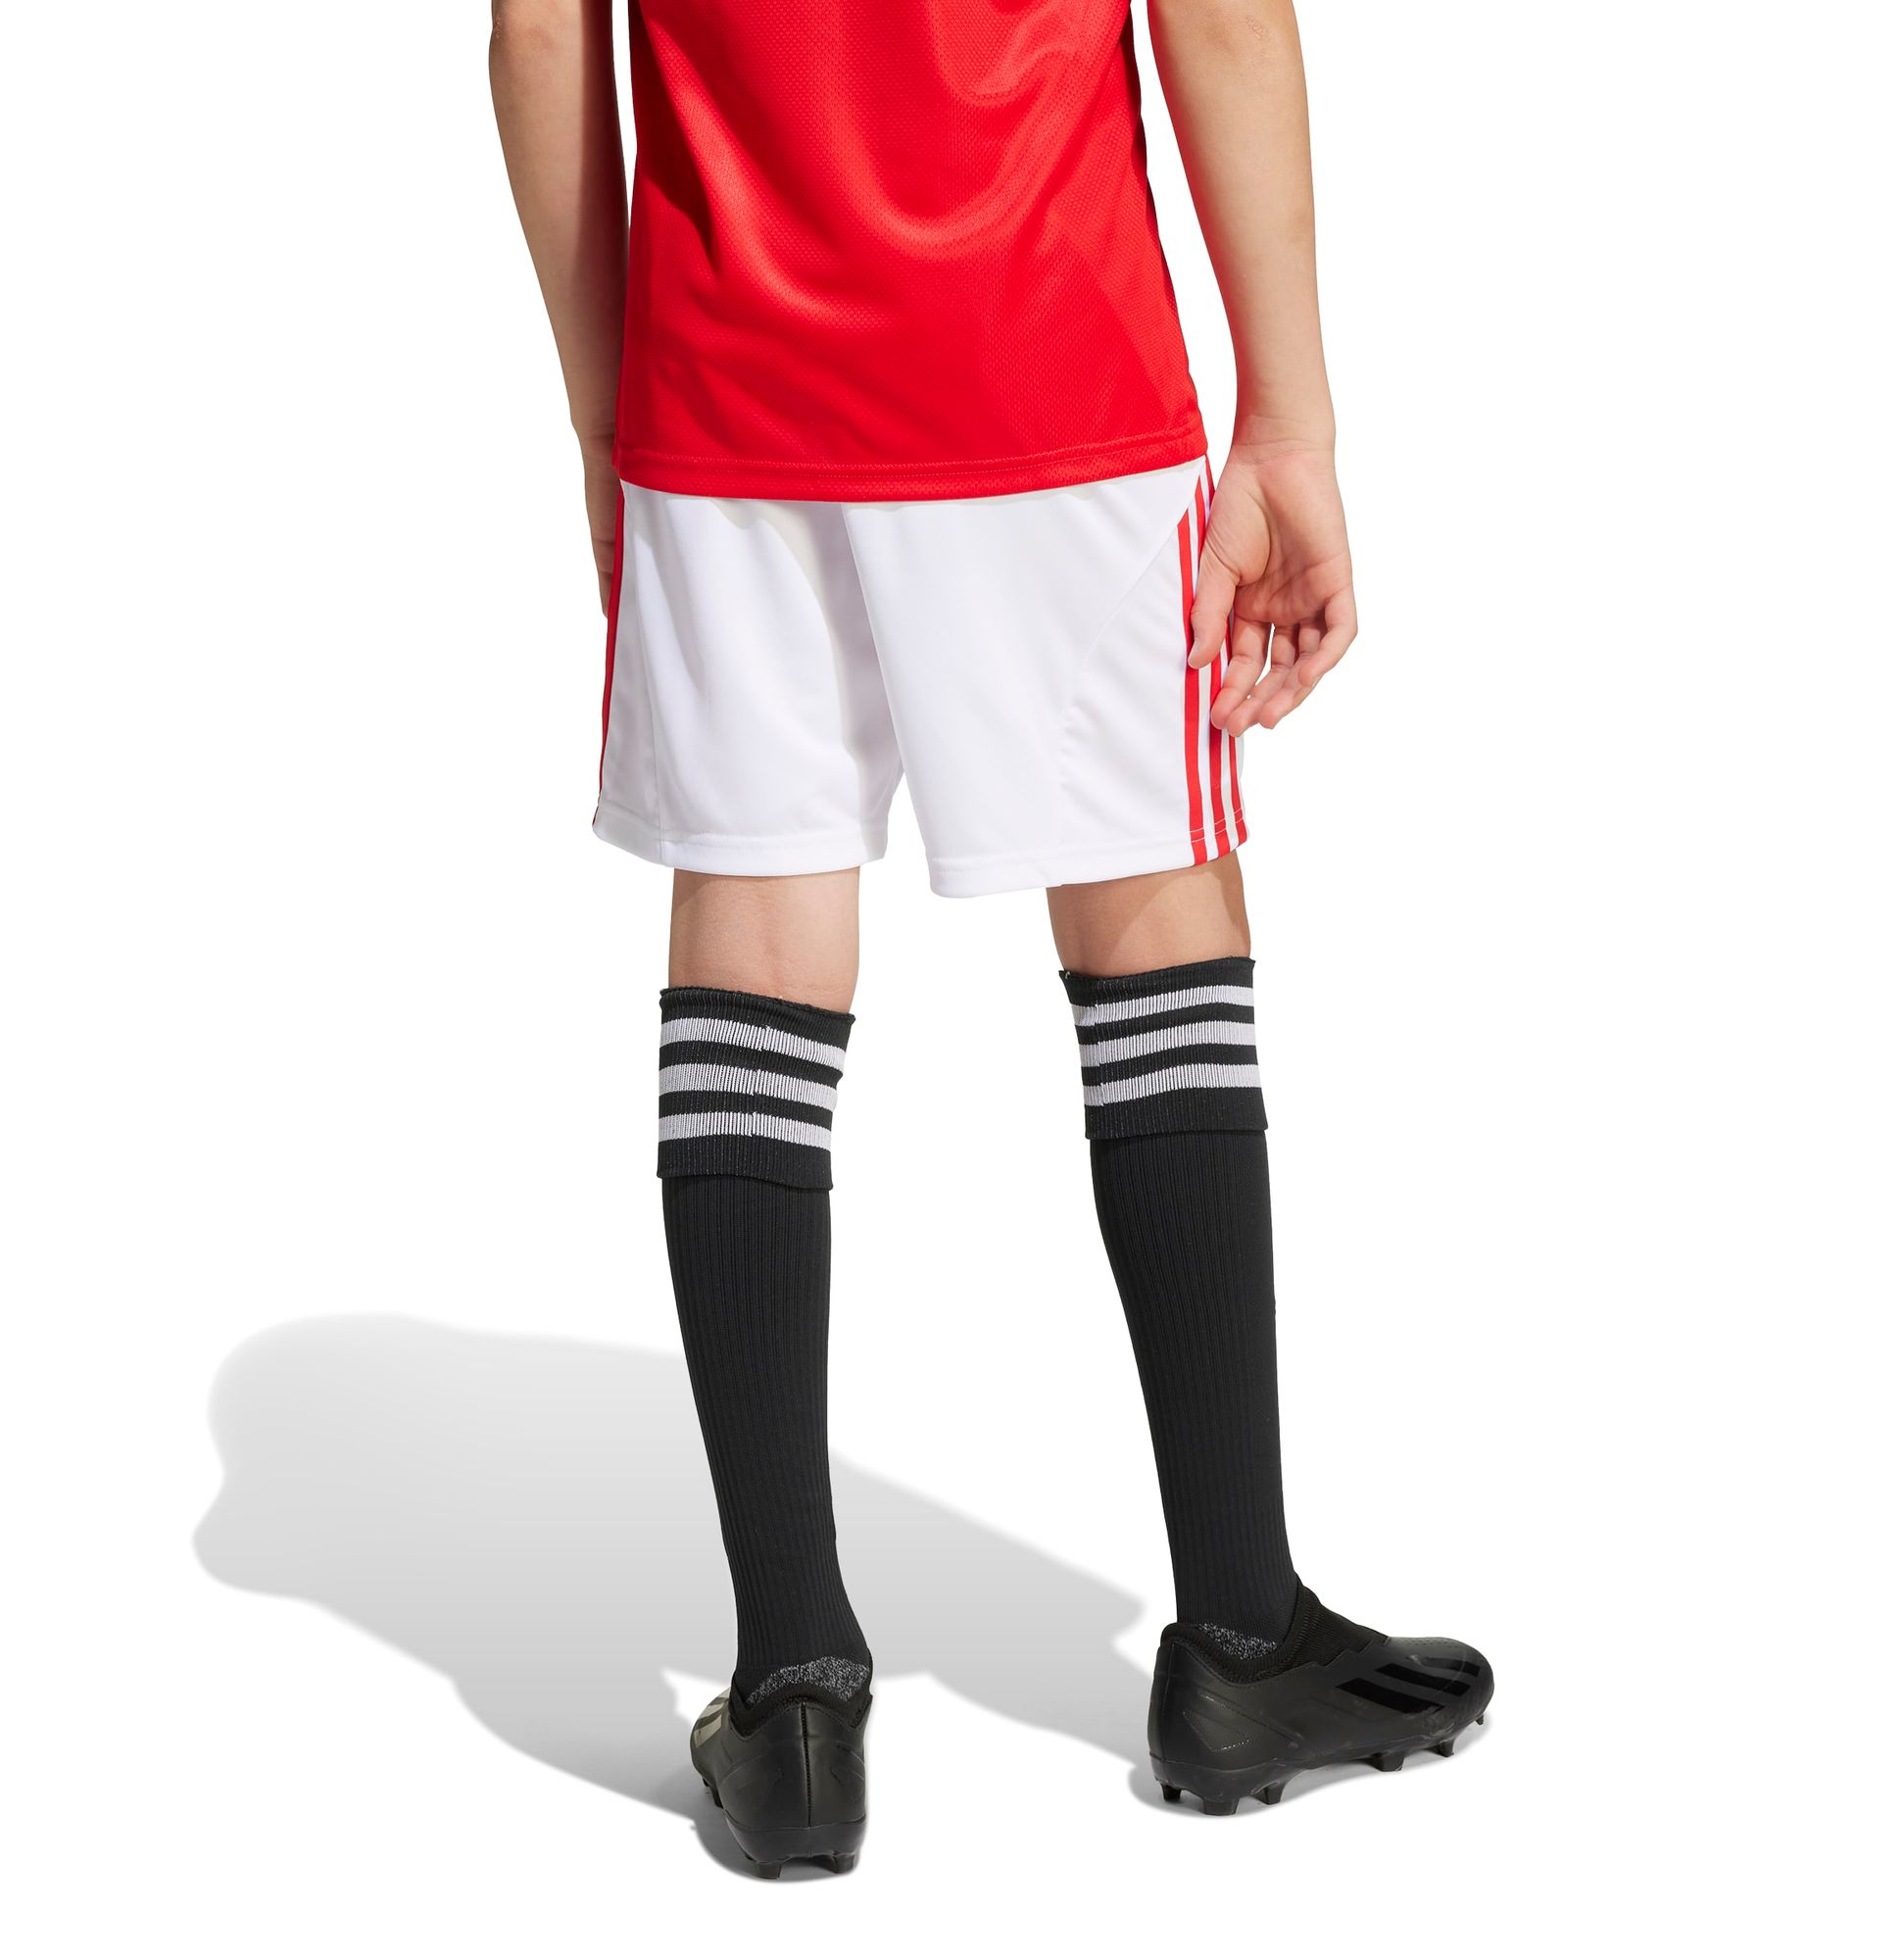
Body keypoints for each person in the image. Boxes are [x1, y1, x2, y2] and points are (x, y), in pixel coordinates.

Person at [489, 0, 1489, 1876]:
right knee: (1151, 907)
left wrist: (606, 413)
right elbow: (1217, 14)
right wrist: (1290, 420)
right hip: (1052, 346)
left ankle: (793, 1691)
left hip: (726, 378)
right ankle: (1241, 1635)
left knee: (755, 942)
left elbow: (544, 30)